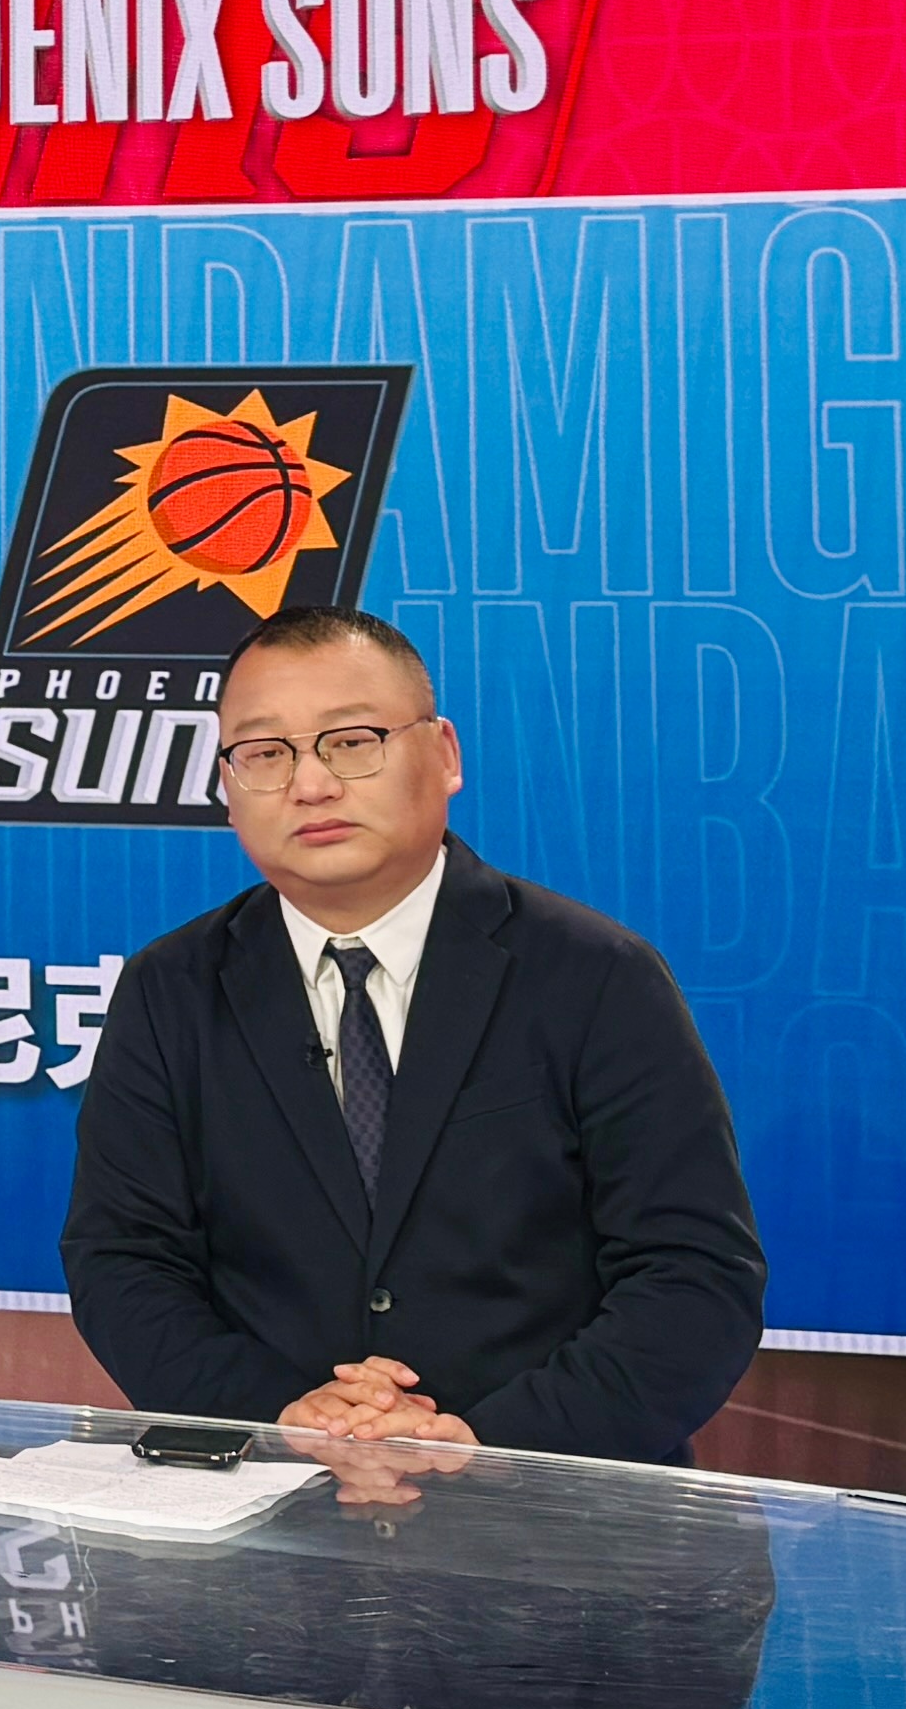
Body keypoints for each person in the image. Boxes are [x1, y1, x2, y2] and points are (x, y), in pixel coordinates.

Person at [56, 603, 764, 1462]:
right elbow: (124, 1260)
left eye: (351, 741)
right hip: (266, 1499)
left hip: (550, 1499)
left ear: (445, 754)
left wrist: (486, 1443)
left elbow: (694, 1276)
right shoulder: (170, 989)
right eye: (266, 753)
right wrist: (281, 1417)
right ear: (227, 786)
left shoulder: (596, 976)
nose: (311, 785)